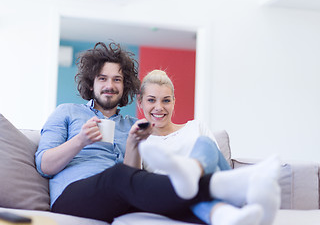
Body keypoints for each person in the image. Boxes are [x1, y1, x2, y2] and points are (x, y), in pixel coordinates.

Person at [35, 41, 251, 225]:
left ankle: (229, 210)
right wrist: (80, 140)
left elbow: (132, 178)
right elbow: (44, 165)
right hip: (72, 198)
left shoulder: (133, 125)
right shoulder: (66, 112)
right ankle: (225, 185)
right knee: (118, 175)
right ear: (91, 84)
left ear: (124, 86)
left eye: (116, 79)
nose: (109, 85)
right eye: (102, 78)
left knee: (179, 211)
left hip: (119, 200)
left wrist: (133, 143)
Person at [136, 69, 281, 225]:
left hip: (214, 185)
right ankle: (247, 200)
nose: (159, 107)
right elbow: (136, 183)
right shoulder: (140, 141)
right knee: (191, 191)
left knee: (205, 143)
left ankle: (192, 171)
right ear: (140, 102)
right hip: (174, 197)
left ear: (173, 102)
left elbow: (217, 166)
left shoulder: (195, 127)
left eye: (166, 100)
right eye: (151, 100)